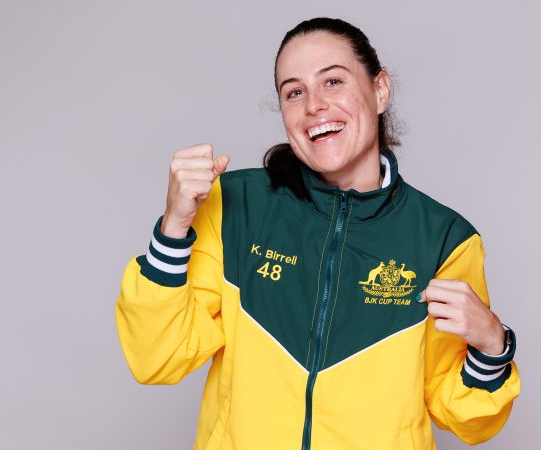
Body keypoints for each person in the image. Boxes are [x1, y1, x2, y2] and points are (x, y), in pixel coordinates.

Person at [116, 17, 520, 450]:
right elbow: (157, 359)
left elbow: (464, 417)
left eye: (332, 82)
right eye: (294, 92)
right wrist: (174, 227)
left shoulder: (444, 240)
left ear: (379, 90)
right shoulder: (235, 206)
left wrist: (492, 346)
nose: (313, 106)